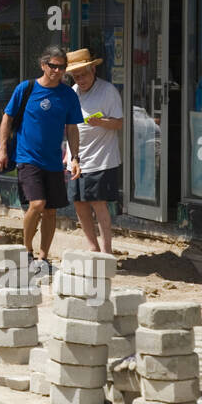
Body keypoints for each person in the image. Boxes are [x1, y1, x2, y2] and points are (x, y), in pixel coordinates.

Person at [0, 46, 83, 275]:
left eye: (61, 67)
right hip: (27, 157)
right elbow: (7, 118)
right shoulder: (26, 88)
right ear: (43, 65)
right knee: (37, 204)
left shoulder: (68, 95)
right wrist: (2, 150)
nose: (57, 70)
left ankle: (43, 258)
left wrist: (74, 158)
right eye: (52, 66)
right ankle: (26, 251)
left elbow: (72, 128)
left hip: (53, 161)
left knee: (51, 211)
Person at [64, 49, 124, 255]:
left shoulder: (108, 91)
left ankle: (107, 250)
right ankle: (92, 246)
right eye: (76, 76)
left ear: (93, 69)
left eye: (84, 74)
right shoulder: (72, 92)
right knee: (79, 203)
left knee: (98, 203)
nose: (80, 79)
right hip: (76, 158)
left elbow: (118, 123)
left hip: (101, 158)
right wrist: (70, 156)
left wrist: (101, 122)